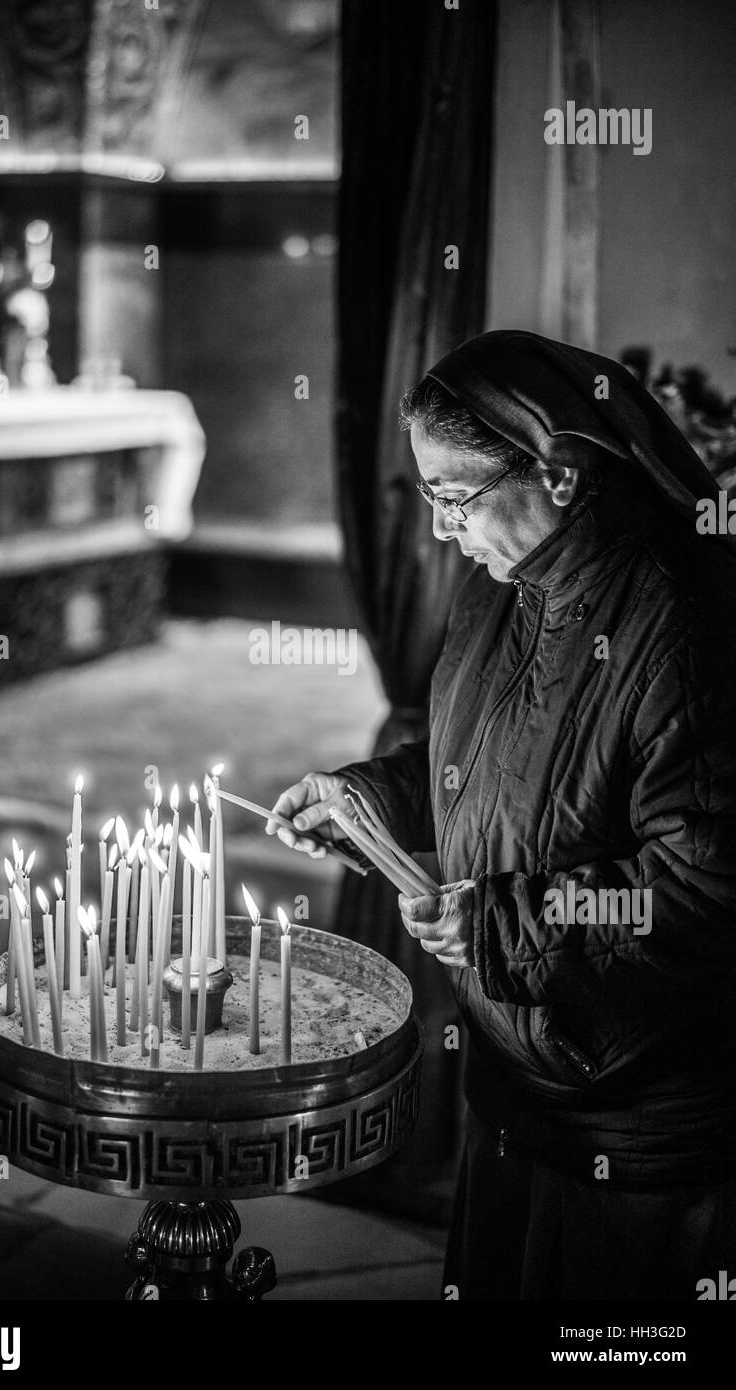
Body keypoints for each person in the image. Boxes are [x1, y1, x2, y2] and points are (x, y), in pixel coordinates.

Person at [267, 330, 736, 1301]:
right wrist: (366, 800)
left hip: (634, 1133)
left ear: (558, 472)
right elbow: (475, 755)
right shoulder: (499, 591)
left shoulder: (683, 624)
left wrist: (496, 922)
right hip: (515, 1088)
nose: (442, 530)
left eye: (452, 497)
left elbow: (697, 892)